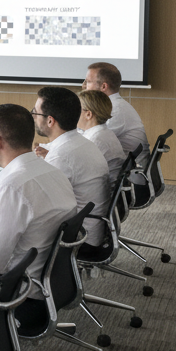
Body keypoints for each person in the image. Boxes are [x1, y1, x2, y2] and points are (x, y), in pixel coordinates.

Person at [0, 104, 76, 298]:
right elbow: (5, 226)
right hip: (45, 284)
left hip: (13, 292)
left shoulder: (11, 188)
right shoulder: (52, 172)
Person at [32, 86, 111, 253]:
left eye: (35, 112)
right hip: (93, 228)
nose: (33, 116)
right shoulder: (81, 142)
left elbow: (42, 208)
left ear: (50, 121)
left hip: (80, 239)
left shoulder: (61, 156)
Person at [82, 62, 149, 168]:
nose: (84, 86)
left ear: (103, 86)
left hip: (127, 170)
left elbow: (90, 142)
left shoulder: (115, 110)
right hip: (124, 166)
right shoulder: (114, 106)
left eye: (88, 82)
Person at [77, 88, 126, 188]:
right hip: (103, 187)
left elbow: (77, 173)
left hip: (99, 192)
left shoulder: (95, 139)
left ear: (88, 114)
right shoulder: (101, 132)